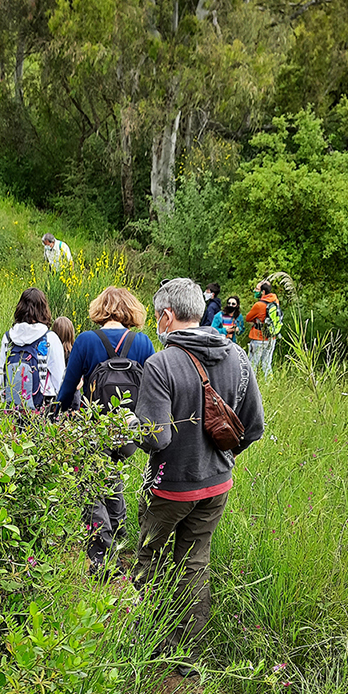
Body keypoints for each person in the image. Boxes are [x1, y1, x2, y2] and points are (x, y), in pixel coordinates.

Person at [134, 278, 264, 668]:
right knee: (194, 562)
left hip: (170, 487)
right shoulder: (238, 356)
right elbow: (253, 426)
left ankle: (146, 643)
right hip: (217, 484)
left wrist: (130, 425)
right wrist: (221, 457)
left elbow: (155, 437)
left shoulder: (161, 364)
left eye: (157, 317)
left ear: (167, 316)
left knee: (150, 559)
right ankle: (187, 654)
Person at [56, 286, 155, 573]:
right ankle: (119, 537)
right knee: (113, 477)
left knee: (91, 488)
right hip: (128, 428)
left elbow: (68, 388)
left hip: (93, 427)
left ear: (100, 309)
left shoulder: (86, 340)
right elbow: (152, 390)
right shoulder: (143, 343)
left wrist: (57, 415)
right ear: (131, 310)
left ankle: (102, 557)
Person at [0, 288, 66, 409]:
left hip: (12, 406)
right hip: (43, 405)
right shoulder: (50, 338)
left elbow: (0, 374)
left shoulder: (8, 337)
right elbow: (59, 379)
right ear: (43, 310)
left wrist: (4, 400)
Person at [245, 281, 283, 376]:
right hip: (271, 337)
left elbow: (248, 318)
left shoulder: (259, 305)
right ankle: (269, 382)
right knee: (267, 364)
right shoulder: (275, 301)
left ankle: (250, 383)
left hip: (258, 338)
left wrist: (255, 321)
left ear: (263, 292)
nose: (255, 291)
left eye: (257, 289)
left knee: (252, 364)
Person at [52, 316, 81, 410]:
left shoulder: (52, 354)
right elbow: (78, 383)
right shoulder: (74, 354)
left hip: (54, 397)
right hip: (73, 400)